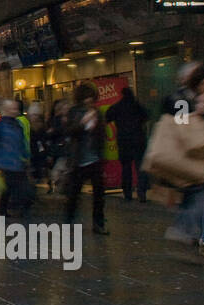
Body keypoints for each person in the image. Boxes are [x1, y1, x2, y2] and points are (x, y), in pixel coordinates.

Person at [147, 64, 204, 265]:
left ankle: (200, 239)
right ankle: (194, 237)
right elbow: (181, 128)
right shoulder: (181, 100)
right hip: (193, 160)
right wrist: (201, 113)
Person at [62, 84, 107, 234]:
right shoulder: (74, 112)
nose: (89, 101)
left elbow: (102, 135)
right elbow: (69, 131)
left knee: (99, 194)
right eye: (86, 98)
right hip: (79, 159)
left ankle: (98, 223)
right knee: (74, 193)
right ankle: (68, 220)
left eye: (92, 98)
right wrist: (82, 123)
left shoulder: (97, 112)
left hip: (94, 158)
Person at [106, 86, 150, 203]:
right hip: (138, 140)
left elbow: (107, 117)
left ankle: (127, 193)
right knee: (140, 167)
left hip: (124, 141)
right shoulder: (137, 106)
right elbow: (146, 116)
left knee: (126, 168)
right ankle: (141, 192)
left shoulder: (117, 107)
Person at [0, 100, 33, 221]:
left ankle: (8, 209)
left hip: (17, 161)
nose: (15, 111)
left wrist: (26, 156)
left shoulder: (17, 125)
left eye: (16, 108)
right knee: (12, 186)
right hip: (6, 162)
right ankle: (6, 209)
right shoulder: (1, 125)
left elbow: (21, 143)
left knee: (13, 186)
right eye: (12, 109)